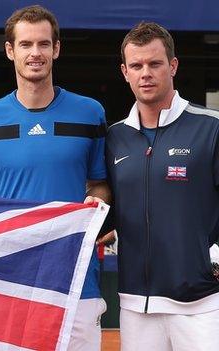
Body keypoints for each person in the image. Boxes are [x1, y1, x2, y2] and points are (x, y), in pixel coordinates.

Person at [0, 5, 110, 350]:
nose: (35, 53)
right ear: (10, 50)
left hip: (76, 277)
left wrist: (99, 201)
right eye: (26, 44)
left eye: (44, 44)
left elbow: (99, 182)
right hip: (8, 277)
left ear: (56, 49)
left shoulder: (90, 112)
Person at [107, 22, 219, 350]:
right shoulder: (115, 137)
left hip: (202, 303)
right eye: (137, 66)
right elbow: (108, 205)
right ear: (125, 71)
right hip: (135, 305)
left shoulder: (210, 128)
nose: (146, 73)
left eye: (155, 64)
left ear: (173, 66)